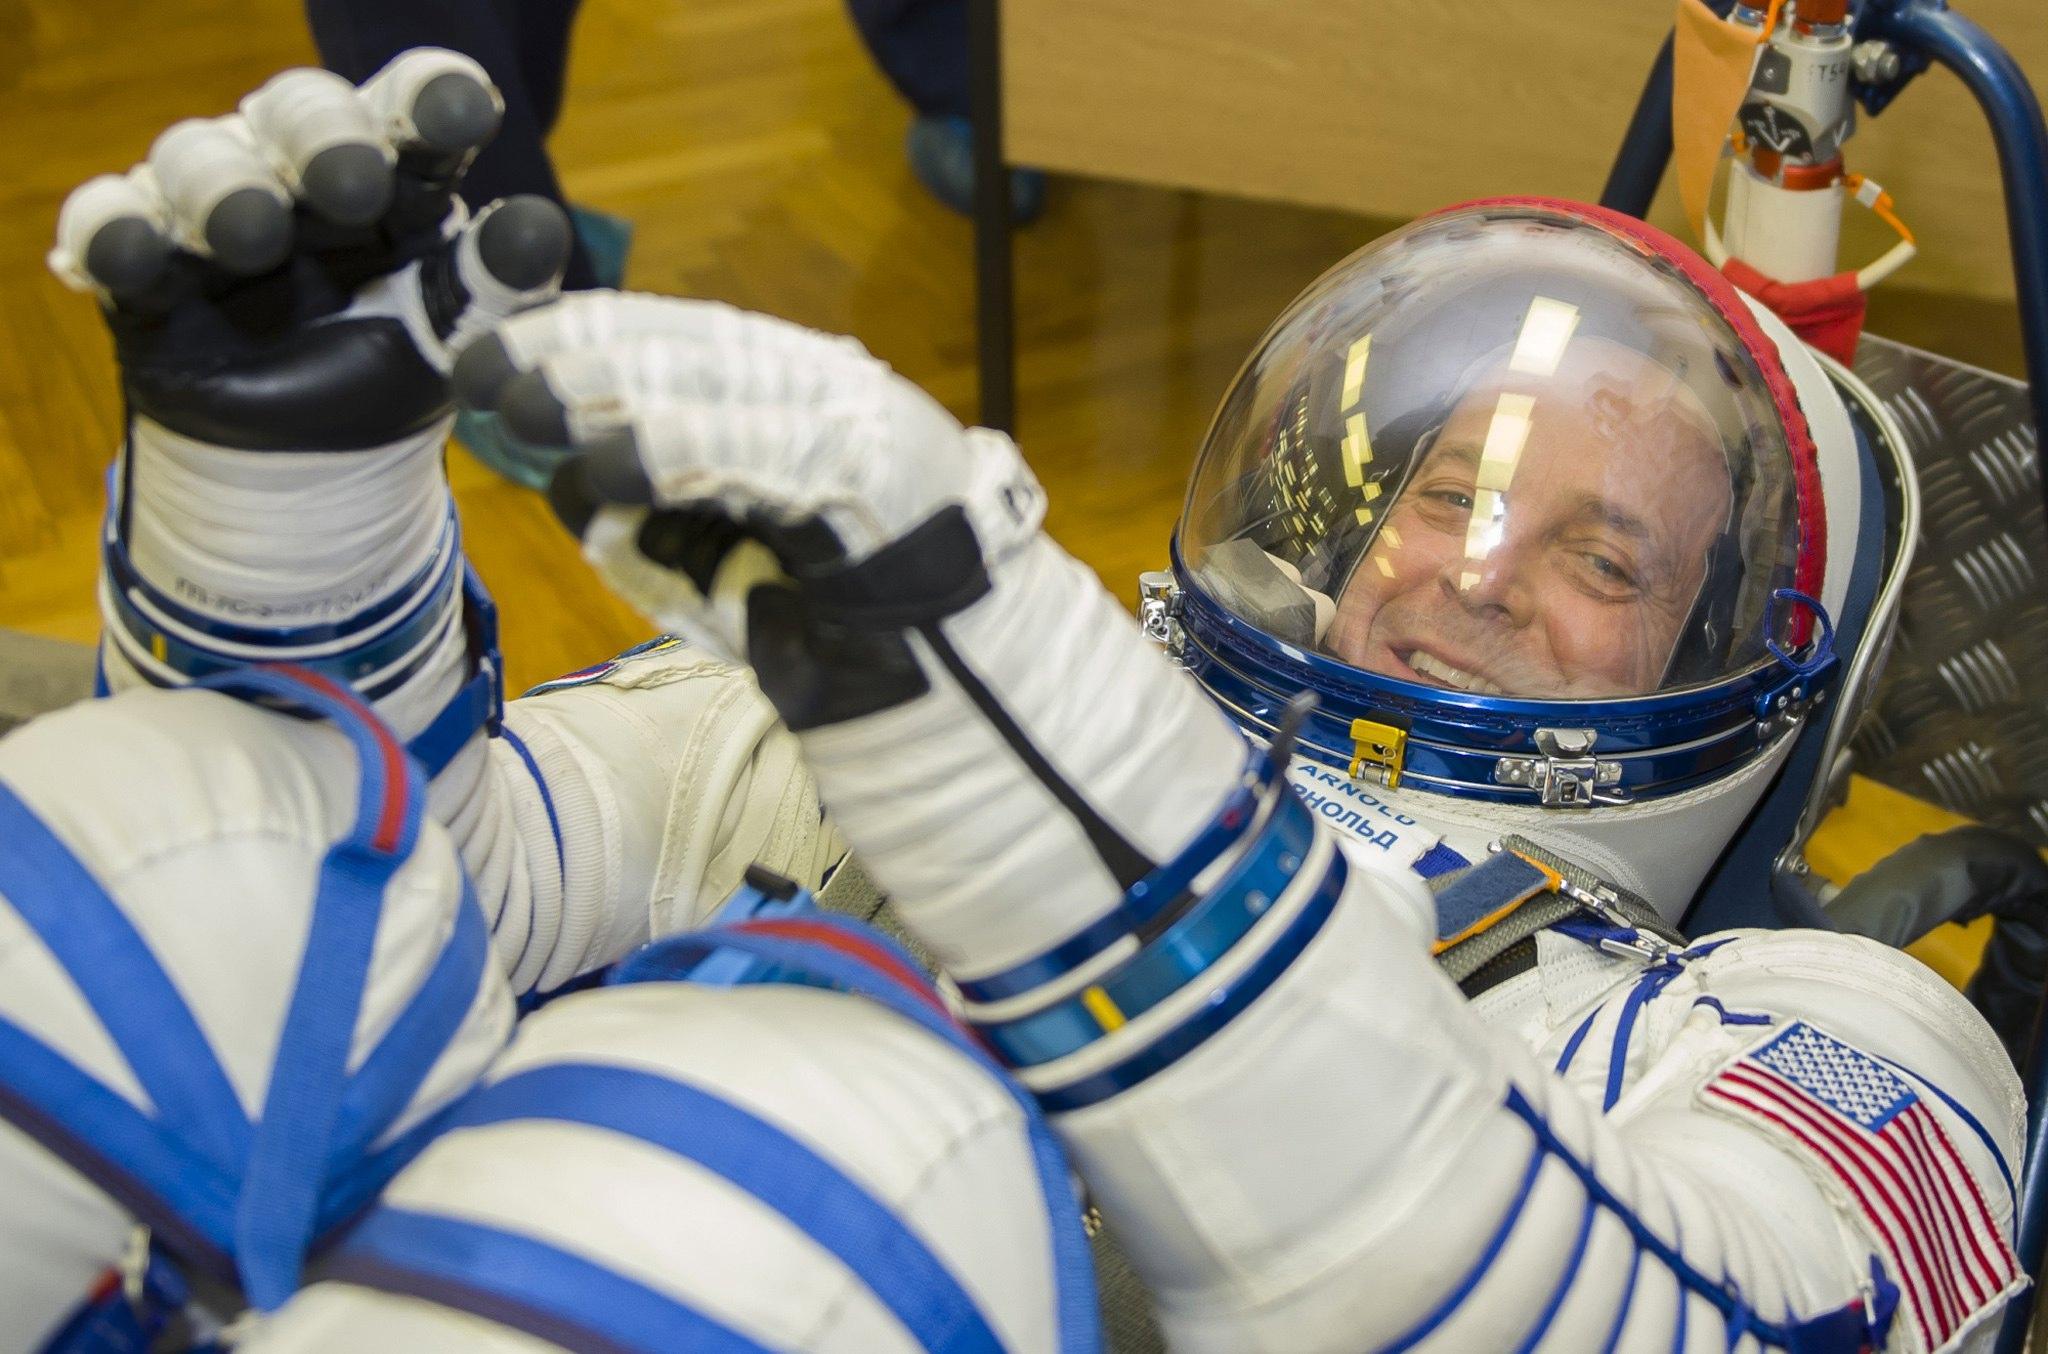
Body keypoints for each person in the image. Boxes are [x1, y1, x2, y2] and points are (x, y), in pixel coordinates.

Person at [451, 199, 2020, 1350]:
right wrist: (314, 587)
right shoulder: (951, 724)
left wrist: (1092, 815)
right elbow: (459, 874)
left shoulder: (1798, 1023)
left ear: (1711, 656)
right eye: (1452, 496)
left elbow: (1703, 1318)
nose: (1474, 579)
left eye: (1598, 559)